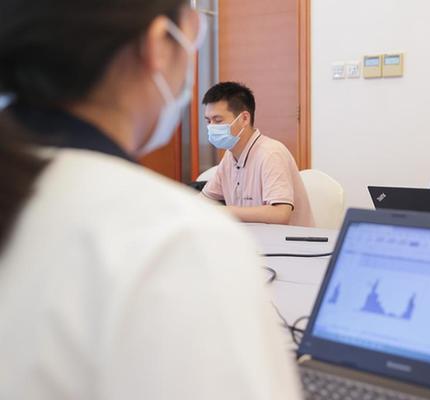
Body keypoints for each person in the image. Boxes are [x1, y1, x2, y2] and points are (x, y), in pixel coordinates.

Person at [0, 1, 302, 399]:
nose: (210, 127)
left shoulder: (30, 187)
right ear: (160, 43)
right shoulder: (178, 238)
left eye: (216, 120)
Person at [201, 82, 315, 227]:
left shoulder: (270, 153)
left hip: (287, 239)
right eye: (208, 121)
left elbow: (281, 214)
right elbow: (205, 198)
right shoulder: (230, 156)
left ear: (244, 119)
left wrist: (226, 211)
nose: (211, 127)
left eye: (218, 120)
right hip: (252, 237)